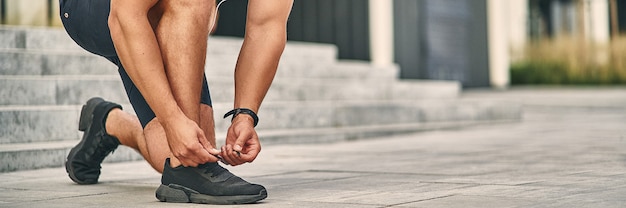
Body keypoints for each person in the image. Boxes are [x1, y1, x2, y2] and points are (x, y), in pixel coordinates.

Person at [59, 0, 293, 204]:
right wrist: (173, 120)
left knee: (189, 151)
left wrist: (245, 115)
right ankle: (187, 169)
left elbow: (266, 27)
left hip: (157, 18)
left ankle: (109, 123)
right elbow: (123, 15)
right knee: (186, 161)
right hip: (95, 11)